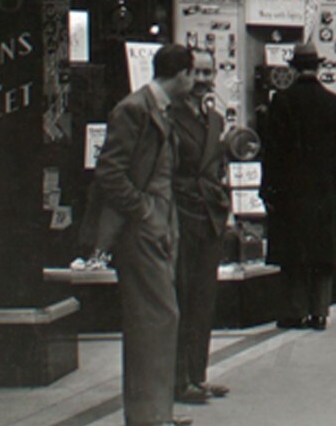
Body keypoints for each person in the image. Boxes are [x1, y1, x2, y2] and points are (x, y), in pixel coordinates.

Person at [90, 42, 194, 426]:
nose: (197, 81)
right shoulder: (134, 110)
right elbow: (110, 173)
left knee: (159, 320)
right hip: (144, 229)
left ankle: (155, 413)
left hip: (160, 226)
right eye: (194, 73)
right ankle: (149, 416)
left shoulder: (159, 110)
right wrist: (145, 211)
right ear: (180, 74)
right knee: (156, 319)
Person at [261, 43, 336, 331]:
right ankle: (320, 312)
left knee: (295, 255)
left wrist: (269, 190)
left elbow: (272, 152)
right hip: (326, 193)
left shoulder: (282, 102)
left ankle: (296, 311)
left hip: (292, 193)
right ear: (319, 67)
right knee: (323, 254)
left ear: (292, 67)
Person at [172, 50, 231, 407]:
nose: (203, 79)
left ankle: (197, 375)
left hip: (210, 217)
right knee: (181, 299)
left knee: (204, 301)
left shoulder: (216, 120)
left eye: (209, 72)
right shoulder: (169, 118)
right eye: (196, 72)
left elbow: (217, 168)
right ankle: (178, 380)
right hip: (181, 213)